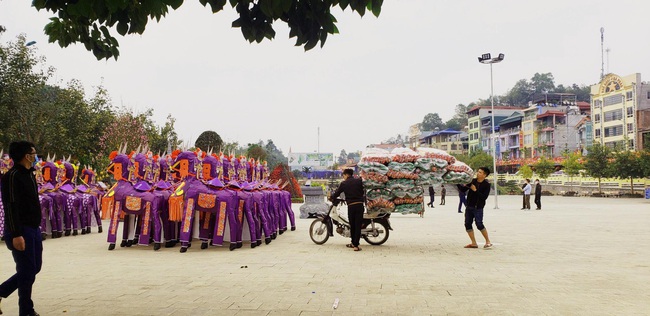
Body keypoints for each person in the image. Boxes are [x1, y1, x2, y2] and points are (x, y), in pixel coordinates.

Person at [0, 141, 43, 316]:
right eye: (34, 153)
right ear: (27, 155)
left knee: (34, 268)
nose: (36, 156)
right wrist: (16, 234)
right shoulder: (12, 176)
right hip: (20, 230)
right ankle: (26, 310)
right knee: (26, 271)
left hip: (34, 228)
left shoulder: (30, 175)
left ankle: (1, 292)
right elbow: (10, 206)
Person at [330, 168, 365, 252]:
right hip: (359, 205)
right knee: (357, 226)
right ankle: (354, 244)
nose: (343, 177)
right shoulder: (359, 181)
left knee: (352, 225)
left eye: (343, 175)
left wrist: (331, 197)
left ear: (346, 175)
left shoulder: (344, 183)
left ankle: (355, 244)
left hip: (351, 206)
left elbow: (337, 193)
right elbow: (363, 191)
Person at [462, 167, 492, 249]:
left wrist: (475, 190)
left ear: (484, 175)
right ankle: (474, 243)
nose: (478, 173)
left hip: (478, 207)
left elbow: (484, 197)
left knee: (479, 224)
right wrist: (458, 182)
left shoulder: (486, 185)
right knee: (467, 224)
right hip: (469, 207)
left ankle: (488, 241)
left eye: (480, 172)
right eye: (478, 172)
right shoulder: (473, 181)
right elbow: (462, 190)